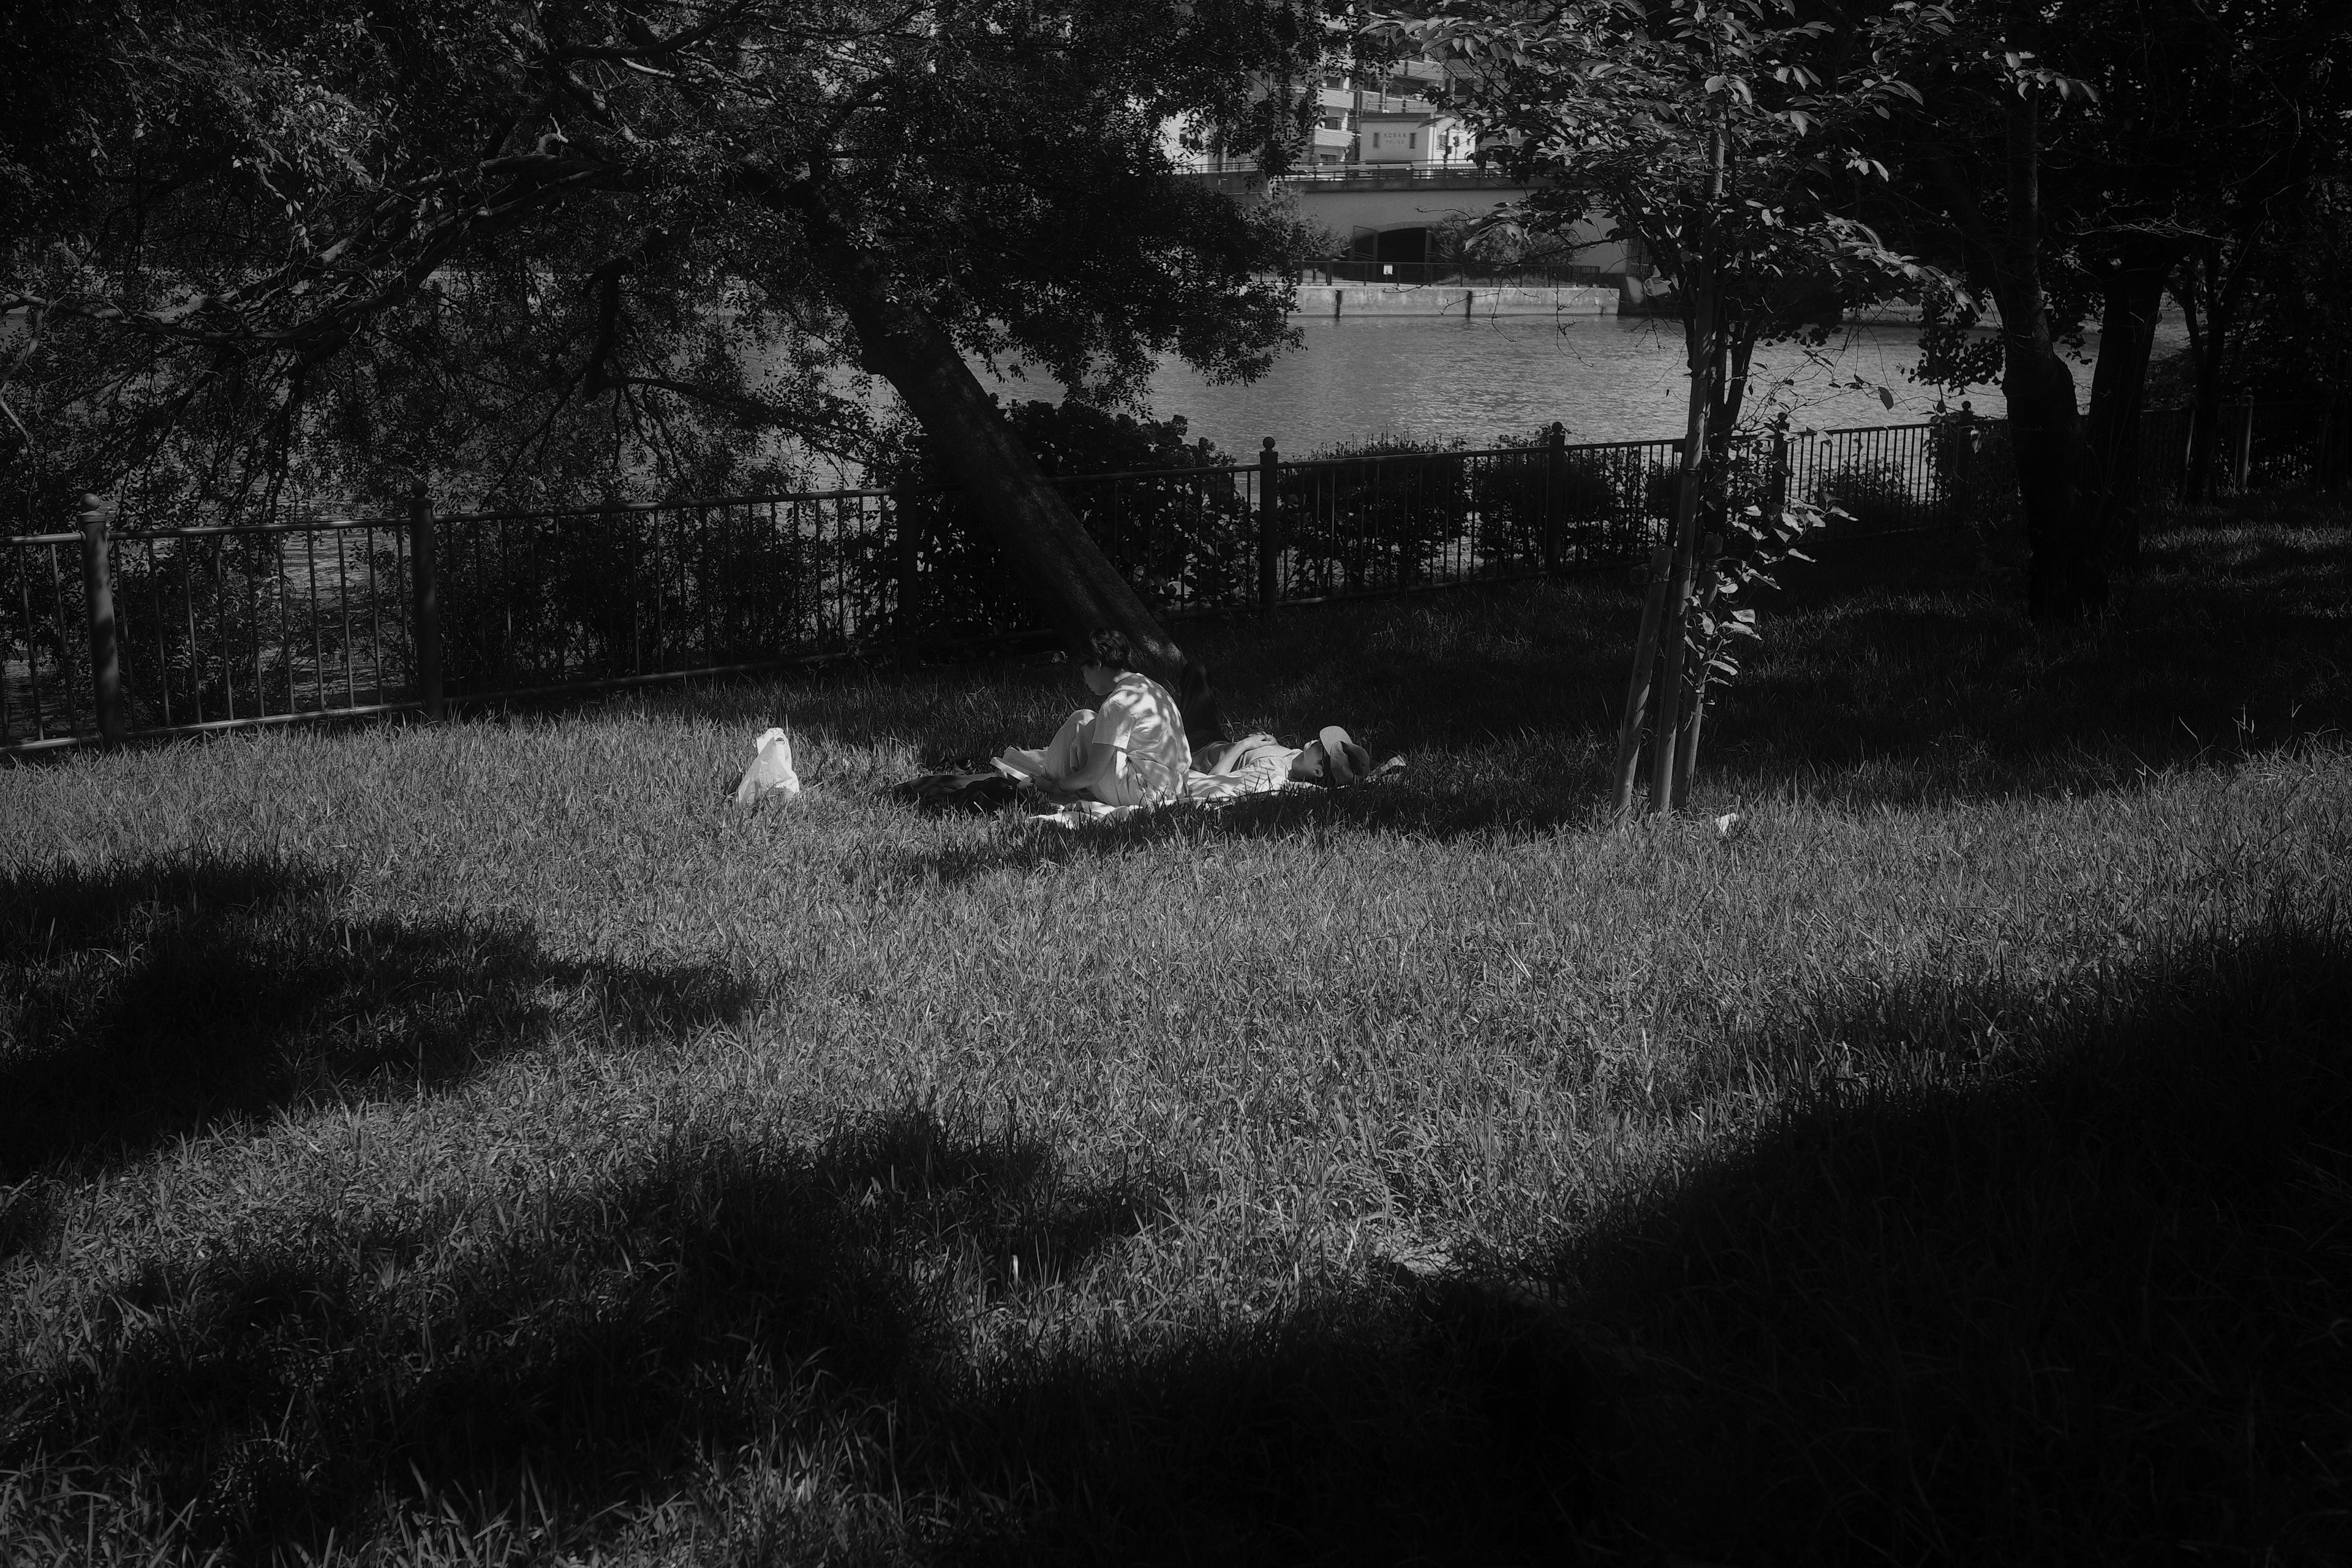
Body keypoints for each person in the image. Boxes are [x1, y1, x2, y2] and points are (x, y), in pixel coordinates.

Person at [999, 629, 1191, 808]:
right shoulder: (1150, 687)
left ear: (1097, 664)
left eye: (1084, 672)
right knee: (1088, 720)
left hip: (1146, 793)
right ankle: (1050, 780)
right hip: (1174, 786)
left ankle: (1045, 785)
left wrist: (1057, 786)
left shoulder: (1118, 703)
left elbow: (1092, 774)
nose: (1085, 681)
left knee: (1079, 720)